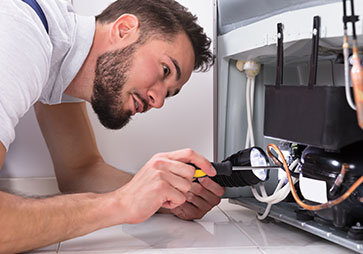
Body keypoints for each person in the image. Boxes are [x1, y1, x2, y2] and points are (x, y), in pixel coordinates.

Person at [0, 0, 225, 253]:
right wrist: (121, 204)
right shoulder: (20, 33)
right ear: (124, 29)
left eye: (169, 93)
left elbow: (80, 170)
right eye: (164, 69)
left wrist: (161, 194)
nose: (159, 101)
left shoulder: (62, 60)